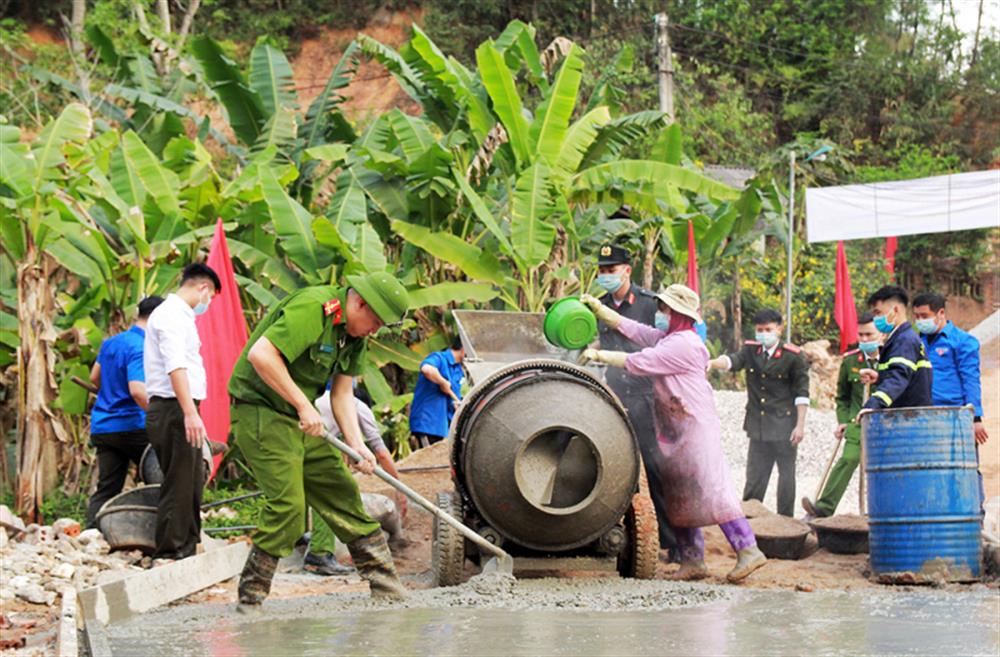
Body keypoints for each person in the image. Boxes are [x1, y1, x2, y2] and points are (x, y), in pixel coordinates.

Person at [228, 272, 410, 609]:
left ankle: (388, 590)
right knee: (289, 507)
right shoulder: (314, 308)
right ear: (359, 302)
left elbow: (342, 394)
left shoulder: (355, 335)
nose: (375, 331)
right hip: (261, 411)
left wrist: (357, 445)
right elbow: (262, 355)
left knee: (341, 490)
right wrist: (301, 404)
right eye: (375, 322)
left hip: (299, 420)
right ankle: (249, 602)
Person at [581, 285, 767, 582]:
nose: (660, 315)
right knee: (679, 493)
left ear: (679, 314)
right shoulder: (669, 337)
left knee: (711, 488)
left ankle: (748, 550)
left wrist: (599, 355)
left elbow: (640, 361)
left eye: (665, 310)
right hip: (674, 426)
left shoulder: (685, 345)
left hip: (695, 426)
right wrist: (601, 311)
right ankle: (692, 559)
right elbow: (636, 330)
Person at [593, 243, 678, 562]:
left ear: (627, 270)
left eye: (611, 270)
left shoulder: (648, 305)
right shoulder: (598, 305)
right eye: (602, 271)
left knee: (656, 467)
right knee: (614, 465)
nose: (605, 276)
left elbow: (667, 343)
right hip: (613, 395)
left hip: (647, 397)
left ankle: (670, 542)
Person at [144, 264, 220, 560]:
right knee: (179, 481)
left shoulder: (180, 316)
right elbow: (176, 365)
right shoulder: (171, 315)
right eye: (211, 295)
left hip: (179, 406)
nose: (208, 303)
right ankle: (171, 551)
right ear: (203, 288)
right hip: (174, 407)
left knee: (189, 481)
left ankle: (187, 547)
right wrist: (190, 412)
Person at [708, 309, 810, 517]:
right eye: (760, 330)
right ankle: (751, 521)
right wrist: (710, 363)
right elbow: (732, 361)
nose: (764, 334)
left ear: (779, 329)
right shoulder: (751, 351)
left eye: (768, 330)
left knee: (786, 478)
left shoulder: (794, 357)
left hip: (784, 428)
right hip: (758, 427)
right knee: (755, 478)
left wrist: (800, 426)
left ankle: (785, 522)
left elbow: (802, 394)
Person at [305, 387, 406, 576]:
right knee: (330, 493)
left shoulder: (324, 400)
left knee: (308, 487)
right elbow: (381, 452)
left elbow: (340, 445)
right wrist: (399, 487)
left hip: (299, 434)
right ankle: (319, 555)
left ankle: (303, 537)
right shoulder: (358, 407)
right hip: (311, 437)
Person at [85, 296, 165, 527]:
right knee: (162, 479)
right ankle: (157, 532)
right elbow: (138, 391)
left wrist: (113, 395)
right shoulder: (141, 346)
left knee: (108, 486)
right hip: (133, 426)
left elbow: (94, 377)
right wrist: (161, 416)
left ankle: (91, 534)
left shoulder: (112, 342)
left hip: (104, 426)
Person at [801, 313, 881, 518]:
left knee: (883, 469)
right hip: (857, 423)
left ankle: (883, 513)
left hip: (885, 425)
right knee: (849, 458)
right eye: (860, 335)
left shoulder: (892, 359)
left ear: (881, 334)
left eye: (869, 334)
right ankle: (823, 508)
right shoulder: (851, 360)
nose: (864, 339)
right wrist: (843, 421)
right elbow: (843, 397)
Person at [912, 292, 988, 445]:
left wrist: (975, 418)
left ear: (941, 313)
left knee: (962, 466)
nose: (920, 321)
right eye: (917, 316)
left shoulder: (963, 342)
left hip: (954, 416)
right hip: (922, 416)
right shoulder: (916, 342)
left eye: (924, 316)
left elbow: (971, 380)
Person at [859, 286, 932, 410]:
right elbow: (907, 376)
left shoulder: (904, 340)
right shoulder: (900, 338)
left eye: (878, 313)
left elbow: (898, 377)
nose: (876, 319)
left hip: (908, 419)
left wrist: (874, 404)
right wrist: (880, 378)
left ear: (895, 310)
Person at [409, 337, 464, 448]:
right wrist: (442, 382)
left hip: (442, 428)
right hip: (427, 424)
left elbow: (455, 397)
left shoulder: (458, 369)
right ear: (463, 349)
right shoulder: (439, 358)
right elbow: (426, 369)